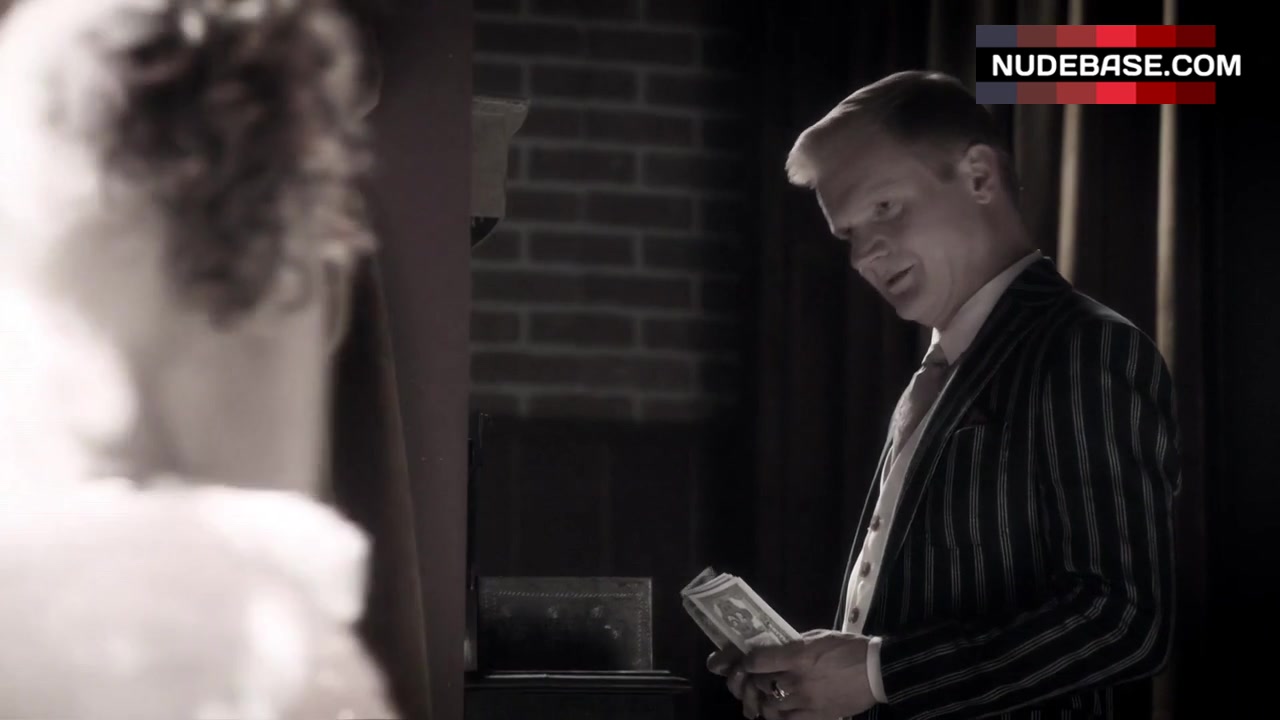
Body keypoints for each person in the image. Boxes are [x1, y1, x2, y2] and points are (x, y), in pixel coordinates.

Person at [708, 70, 1181, 719]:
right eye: (847, 233)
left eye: (884, 207)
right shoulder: (943, 368)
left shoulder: (1084, 346)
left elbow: (1124, 621)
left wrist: (876, 675)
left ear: (979, 177)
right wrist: (816, 681)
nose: (864, 256)